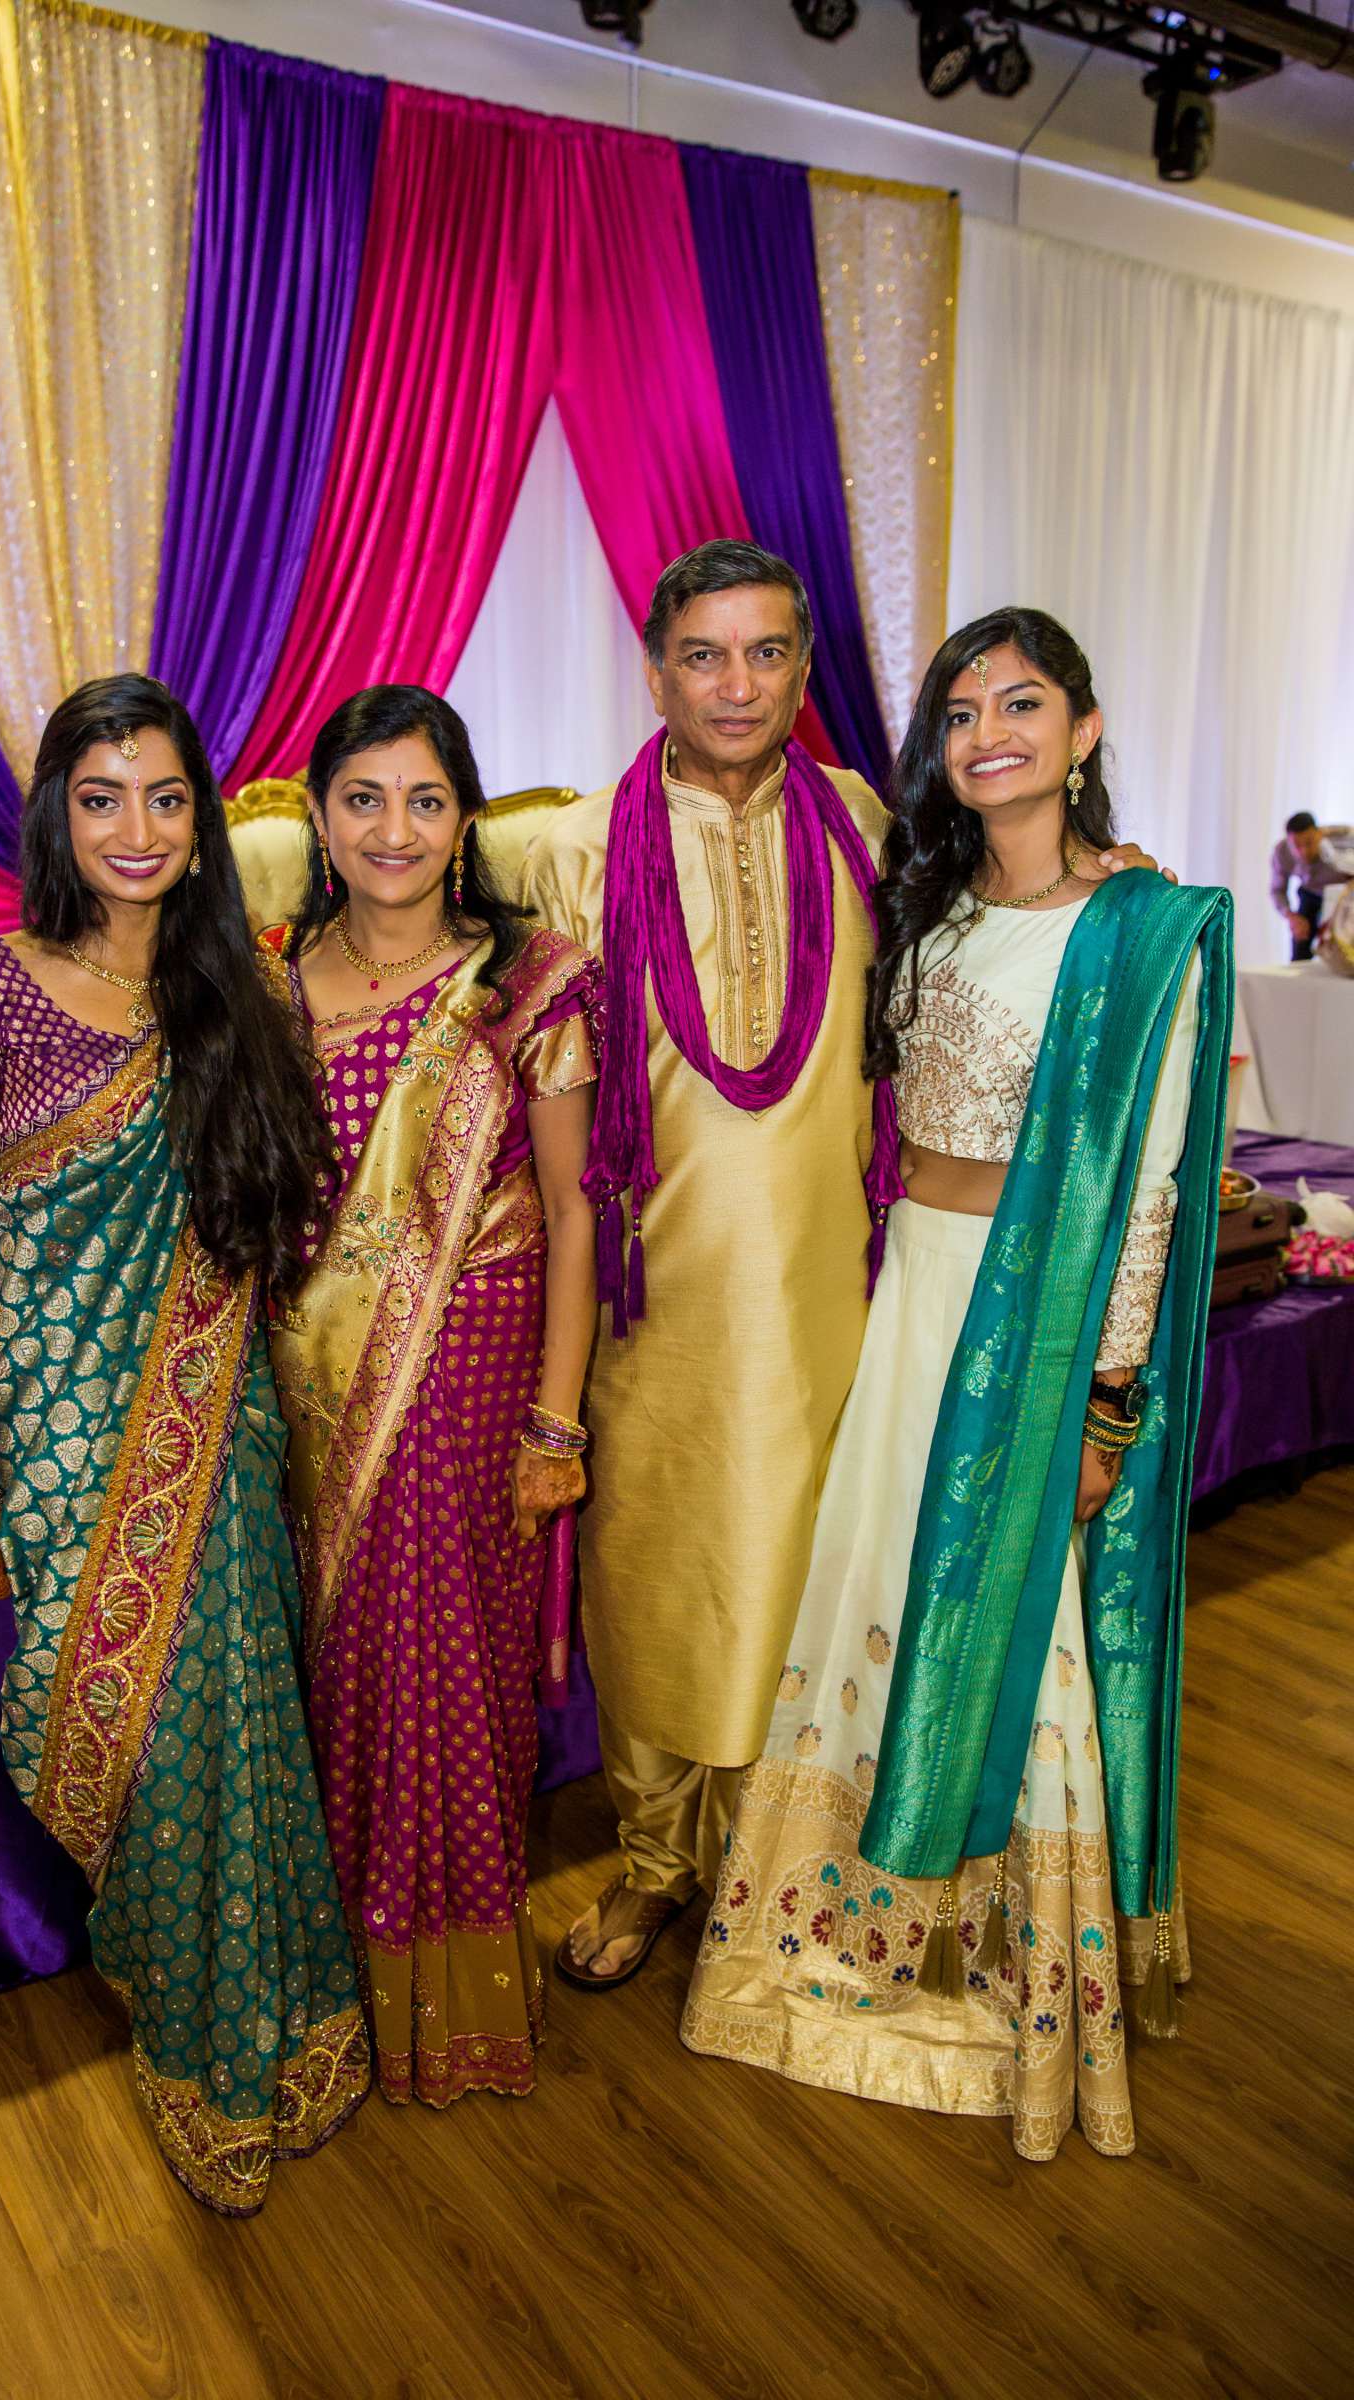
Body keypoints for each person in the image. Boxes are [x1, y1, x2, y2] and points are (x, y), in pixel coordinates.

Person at [522, 541, 1165, 1989]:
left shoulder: (869, 824)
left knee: (810, 1569)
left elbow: (1006, 915)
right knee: (649, 1578)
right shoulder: (566, 850)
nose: (736, 684)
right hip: (652, 1298)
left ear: (806, 672)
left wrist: (1114, 884)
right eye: (703, 654)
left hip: (835, 1296)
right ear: (655, 669)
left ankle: (778, 1854)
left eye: (765, 655)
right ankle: (652, 1860)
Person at [680, 610, 1232, 2160]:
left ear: (1087, 729)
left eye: (1026, 702)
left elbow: (1153, 1189)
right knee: (879, 1588)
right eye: (964, 707)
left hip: (1028, 1321)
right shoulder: (915, 904)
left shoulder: (1138, 930)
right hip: (907, 1292)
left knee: (1021, 1624)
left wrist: (1103, 1405)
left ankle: (1009, 1981)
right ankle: (845, 1936)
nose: (992, 730)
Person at [0, 674, 368, 2214]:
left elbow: (279, 1219)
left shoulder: (247, 987)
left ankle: (265, 2029)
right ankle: (189, 2039)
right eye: (102, 797)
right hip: (57, 1426)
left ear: (204, 818)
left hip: (214, 1416)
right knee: (137, 1738)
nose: (137, 828)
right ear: (56, 809)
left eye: (167, 797)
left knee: (235, 1719)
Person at [261, 685, 602, 2108]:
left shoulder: (523, 981)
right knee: (340, 1671)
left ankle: (456, 1995)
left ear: (462, 820)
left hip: (475, 1375)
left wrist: (556, 1421)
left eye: (423, 800)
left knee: (452, 1668)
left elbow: (579, 1212)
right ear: (320, 820)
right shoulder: (271, 980)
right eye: (363, 799)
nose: (393, 831)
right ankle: (350, 1988)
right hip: (318, 1378)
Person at [1270, 812, 1351, 961]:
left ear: (1319, 835)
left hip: (1342, 895)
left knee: (1342, 946)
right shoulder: (1281, 852)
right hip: (1310, 892)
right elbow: (1277, 890)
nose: (1304, 851)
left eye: (1309, 842)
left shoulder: (1339, 842)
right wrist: (1291, 917)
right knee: (1301, 939)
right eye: (1297, 846)